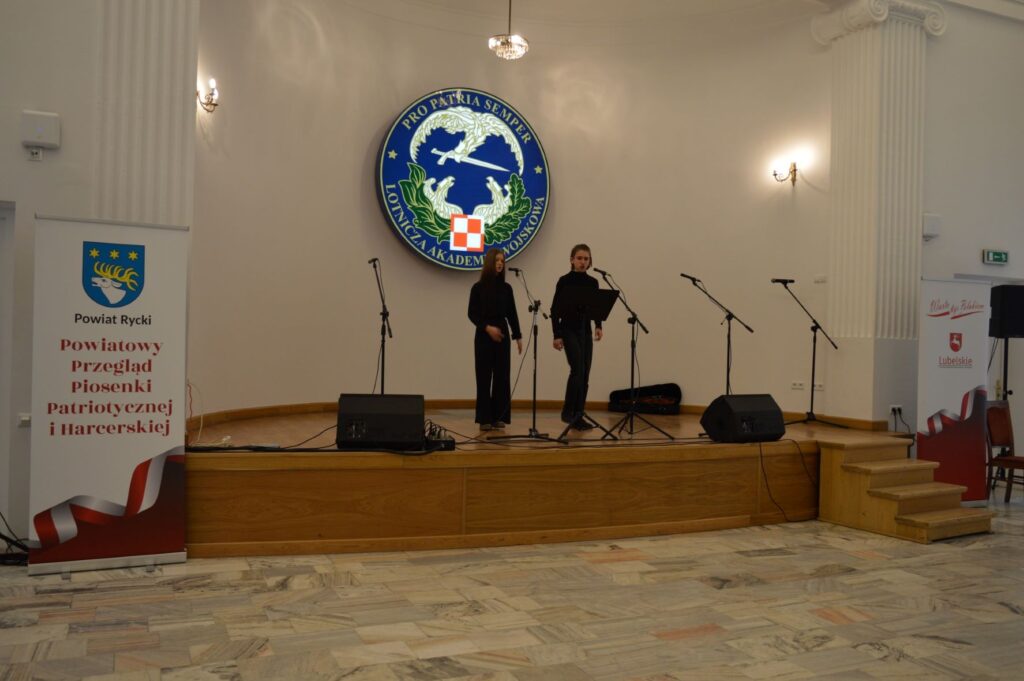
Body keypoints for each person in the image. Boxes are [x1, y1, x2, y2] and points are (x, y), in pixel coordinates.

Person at [468, 248, 522, 430]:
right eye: (497, 260)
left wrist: (518, 336)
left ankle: (498, 417)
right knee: (484, 376)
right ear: (490, 263)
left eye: (502, 261)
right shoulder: (478, 288)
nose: (500, 263)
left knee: (502, 376)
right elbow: (472, 314)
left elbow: (512, 314)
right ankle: (484, 418)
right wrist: (487, 328)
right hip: (484, 336)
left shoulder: (507, 288)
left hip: (502, 336)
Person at [551, 244, 603, 430]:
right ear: (572, 260)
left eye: (586, 259)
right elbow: (555, 309)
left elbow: (596, 307)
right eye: (579, 258)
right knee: (577, 369)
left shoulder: (593, 283)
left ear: (590, 262)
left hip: (585, 331)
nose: (582, 262)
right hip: (568, 330)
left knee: (586, 373)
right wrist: (556, 335)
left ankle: (579, 414)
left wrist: (598, 325)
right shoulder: (564, 281)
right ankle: (568, 412)